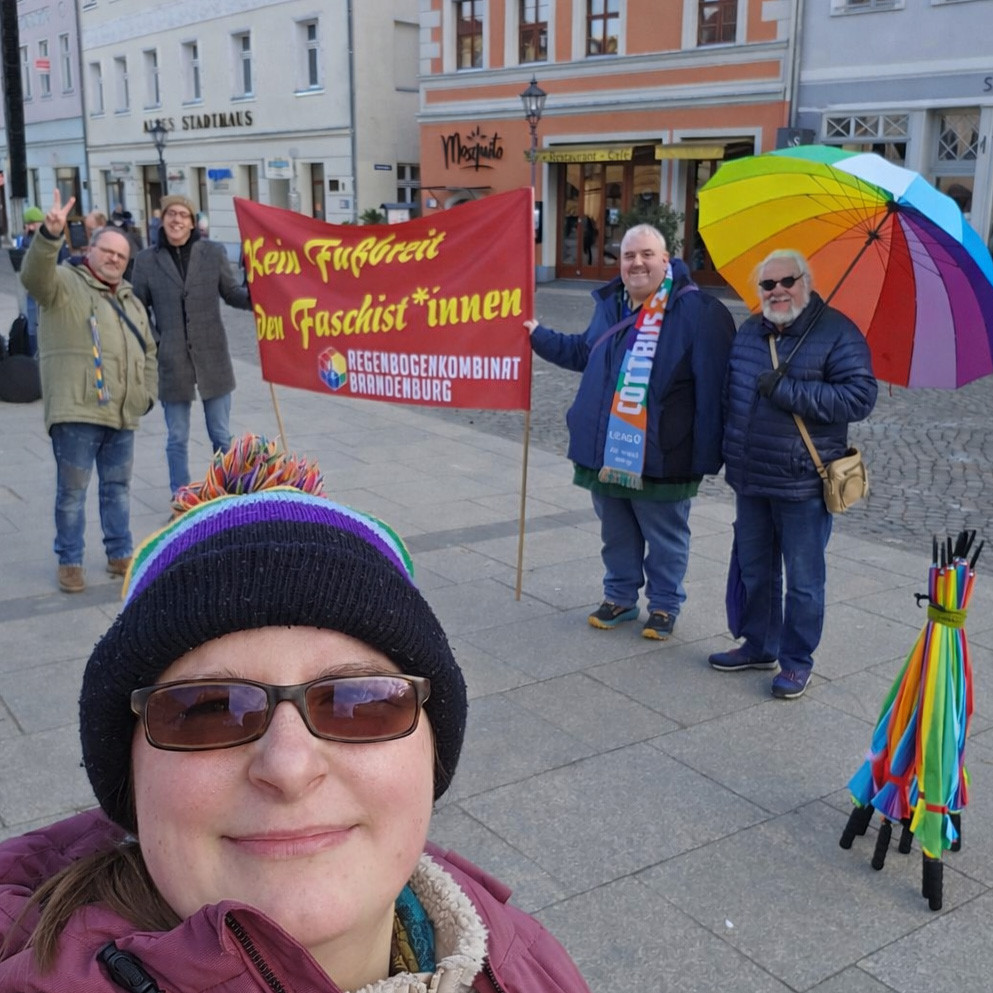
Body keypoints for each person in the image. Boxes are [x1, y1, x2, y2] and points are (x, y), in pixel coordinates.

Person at [0, 436, 593, 993]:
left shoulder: (527, 959)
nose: (288, 766)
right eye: (208, 710)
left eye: (360, 704)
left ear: (433, 747)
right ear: (130, 772)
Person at [526, 224, 735, 640]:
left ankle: (664, 604)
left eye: (646, 254)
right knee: (616, 530)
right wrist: (537, 336)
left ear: (666, 258)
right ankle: (619, 596)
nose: (636, 262)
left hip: (663, 451)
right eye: (628, 256)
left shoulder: (698, 311)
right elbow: (585, 352)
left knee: (665, 535)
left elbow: (715, 389)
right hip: (605, 446)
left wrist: (706, 454)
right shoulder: (610, 304)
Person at [709, 249, 878, 698]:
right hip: (751, 478)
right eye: (768, 284)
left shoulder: (838, 332)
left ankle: (796, 660)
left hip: (803, 481)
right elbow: (731, 397)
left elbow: (860, 397)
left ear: (807, 281)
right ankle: (759, 644)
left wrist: (789, 390)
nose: (778, 290)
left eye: (788, 280)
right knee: (756, 570)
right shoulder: (749, 331)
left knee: (804, 582)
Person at [19, 190, 157, 594]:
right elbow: (34, 276)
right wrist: (49, 235)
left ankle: (119, 553)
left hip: (122, 412)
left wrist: (145, 395)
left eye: (122, 255)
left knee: (117, 489)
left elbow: (149, 350)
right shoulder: (62, 284)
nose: (114, 259)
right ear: (90, 249)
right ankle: (70, 560)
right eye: (108, 251)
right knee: (72, 492)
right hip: (77, 410)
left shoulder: (131, 301)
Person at [131, 193, 251, 497]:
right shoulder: (146, 260)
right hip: (171, 359)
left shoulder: (212, 252)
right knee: (177, 437)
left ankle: (226, 494)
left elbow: (232, 294)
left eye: (184, 215)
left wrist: (259, 294)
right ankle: (181, 497)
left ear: (193, 222)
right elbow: (137, 308)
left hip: (213, 355)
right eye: (171, 213)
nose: (177, 220)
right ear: (162, 218)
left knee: (221, 434)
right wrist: (156, 342)